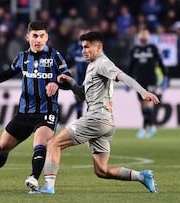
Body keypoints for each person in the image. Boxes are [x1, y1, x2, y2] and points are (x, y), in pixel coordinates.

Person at [30, 31, 159, 194]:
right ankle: (142, 176)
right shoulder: (92, 65)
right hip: (105, 123)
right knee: (101, 170)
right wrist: (70, 82)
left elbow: (123, 76)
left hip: (96, 118)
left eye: (87, 47)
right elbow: (83, 95)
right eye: (82, 47)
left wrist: (143, 92)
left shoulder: (103, 63)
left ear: (99, 47)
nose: (83, 50)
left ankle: (48, 187)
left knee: (54, 143)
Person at [0, 20, 70, 192]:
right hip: (24, 113)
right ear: (28, 37)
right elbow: (8, 73)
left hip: (47, 111)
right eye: (35, 36)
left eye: (42, 36)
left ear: (47, 37)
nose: (38, 40)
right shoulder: (23, 57)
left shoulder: (55, 56)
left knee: (40, 141)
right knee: (2, 147)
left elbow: (67, 80)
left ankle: (34, 178)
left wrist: (58, 84)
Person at [127, 28, 168, 138]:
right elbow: (130, 66)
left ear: (149, 36)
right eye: (141, 33)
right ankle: (151, 126)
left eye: (145, 33)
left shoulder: (153, 48)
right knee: (142, 104)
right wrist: (127, 80)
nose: (143, 35)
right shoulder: (134, 49)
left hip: (151, 79)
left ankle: (144, 127)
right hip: (139, 81)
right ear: (138, 36)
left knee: (148, 102)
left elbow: (160, 63)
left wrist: (165, 76)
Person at [66, 28, 90, 118]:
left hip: (91, 79)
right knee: (78, 101)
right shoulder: (74, 48)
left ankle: (92, 124)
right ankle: (79, 121)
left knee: (92, 102)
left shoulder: (94, 48)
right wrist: (70, 69)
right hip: (78, 79)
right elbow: (68, 62)